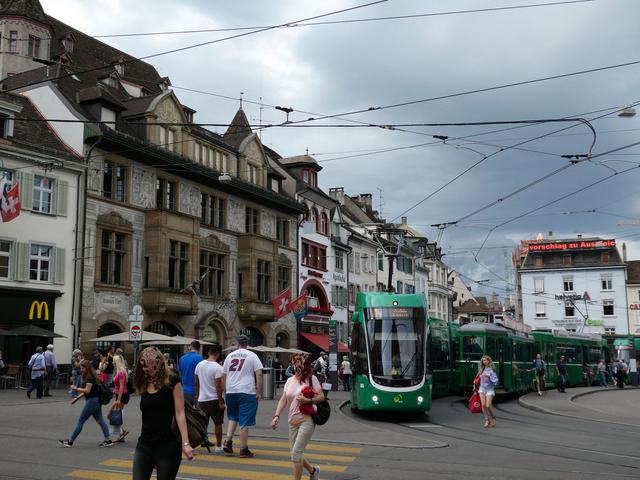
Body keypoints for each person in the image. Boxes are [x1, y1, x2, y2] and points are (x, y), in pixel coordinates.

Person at [132, 347, 194, 480]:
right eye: (143, 365)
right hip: (144, 444)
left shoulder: (172, 381)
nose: (146, 369)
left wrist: (186, 443)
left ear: (159, 364)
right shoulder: (143, 381)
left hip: (168, 446)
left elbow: (180, 413)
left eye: (150, 365)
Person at [271, 353, 324, 480]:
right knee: (295, 454)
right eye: (295, 365)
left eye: (300, 365)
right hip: (292, 421)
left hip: (307, 420)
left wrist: (308, 401)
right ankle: (313, 471)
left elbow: (321, 397)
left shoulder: (312, 379)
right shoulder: (289, 380)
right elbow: (283, 399)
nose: (297, 368)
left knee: (296, 453)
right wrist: (276, 416)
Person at [222, 334, 264, 458]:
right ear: (247, 344)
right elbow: (259, 374)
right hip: (246, 391)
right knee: (244, 421)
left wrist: (225, 390)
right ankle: (243, 449)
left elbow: (223, 375)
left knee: (233, 417)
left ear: (237, 344)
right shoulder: (252, 356)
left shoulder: (229, 356)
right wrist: (259, 391)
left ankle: (228, 441)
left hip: (231, 391)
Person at [58, 360, 113, 448]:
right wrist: (77, 398)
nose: (81, 369)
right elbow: (89, 391)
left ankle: (70, 441)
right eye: (81, 368)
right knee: (100, 420)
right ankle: (108, 440)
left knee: (81, 421)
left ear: (87, 368)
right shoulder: (92, 376)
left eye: (82, 368)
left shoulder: (89, 378)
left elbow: (87, 390)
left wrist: (76, 388)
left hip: (92, 401)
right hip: (96, 400)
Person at [195, 344, 225, 452]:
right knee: (218, 423)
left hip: (202, 399)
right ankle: (218, 446)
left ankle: (195, 444)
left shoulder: (199, 365)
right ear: (218, 354)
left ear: (208, 353)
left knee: (202, 423)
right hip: (214, 399)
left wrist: (197, 396)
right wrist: (221, 402)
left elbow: (196, 382)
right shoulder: (218, 367)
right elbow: (218, 385)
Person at [108, 354, 130, 443]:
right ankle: (122, 432)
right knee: (118, 414)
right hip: (120, 394)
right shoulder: (120, 371)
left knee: (115, 415)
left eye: (113, 362)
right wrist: (114, 390)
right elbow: (119, 386)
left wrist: (119, 399)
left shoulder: (121, 372)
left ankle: (120, 433)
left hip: (122, 395)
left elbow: (121, 387)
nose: (112, 363)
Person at [178, 340, 203, 406]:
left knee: (187, 414)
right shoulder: (200, 358)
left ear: (191, 347)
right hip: (196, 391)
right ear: (199, 348)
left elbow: (179, 374)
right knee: (199, 414)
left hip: (184, 390)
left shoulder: (182, 358)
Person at [478, 355, 499, 428]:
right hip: (482, 389)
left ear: (489, 361)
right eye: (483, 360)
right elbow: (478, 378)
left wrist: (489, 377)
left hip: (490, 389)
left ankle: (493, 417)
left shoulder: (492, 370)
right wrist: (474, 384)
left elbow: (496, 381)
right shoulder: (481, 369)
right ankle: (487, 420)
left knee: (488, 405)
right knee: (483, 405)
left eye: (485, 360)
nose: (484, 362)